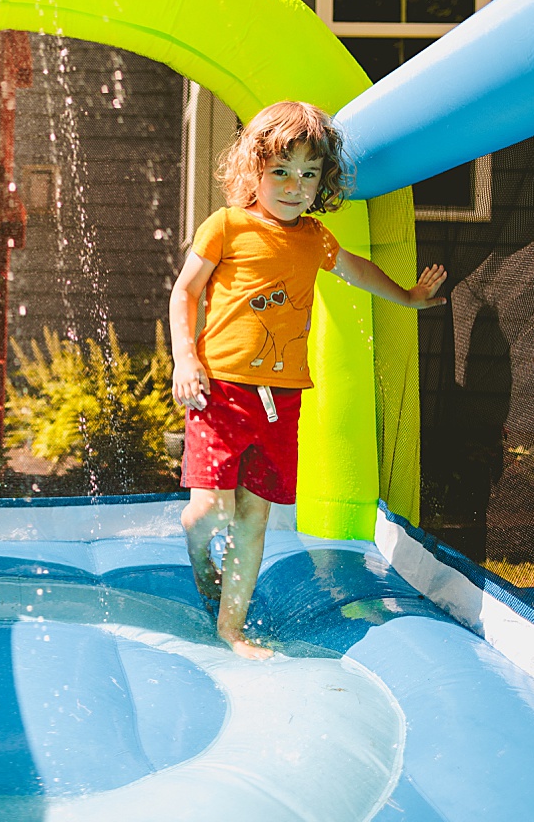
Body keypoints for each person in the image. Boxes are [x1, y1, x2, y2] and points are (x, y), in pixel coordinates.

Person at [169, 100, 447, 659]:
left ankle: (232, 628)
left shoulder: (314, 238)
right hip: (218, 391)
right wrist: (185, 356)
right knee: (208, 512)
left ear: (323, 181)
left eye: (308, 174)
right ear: (254, 172)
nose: (295, 186)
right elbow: (186, 291)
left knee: (253, 518)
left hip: (281, 401)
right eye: (281, 171)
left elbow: (355, 269)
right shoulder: (227, 226)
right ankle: (201, 559)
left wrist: (408, 296)